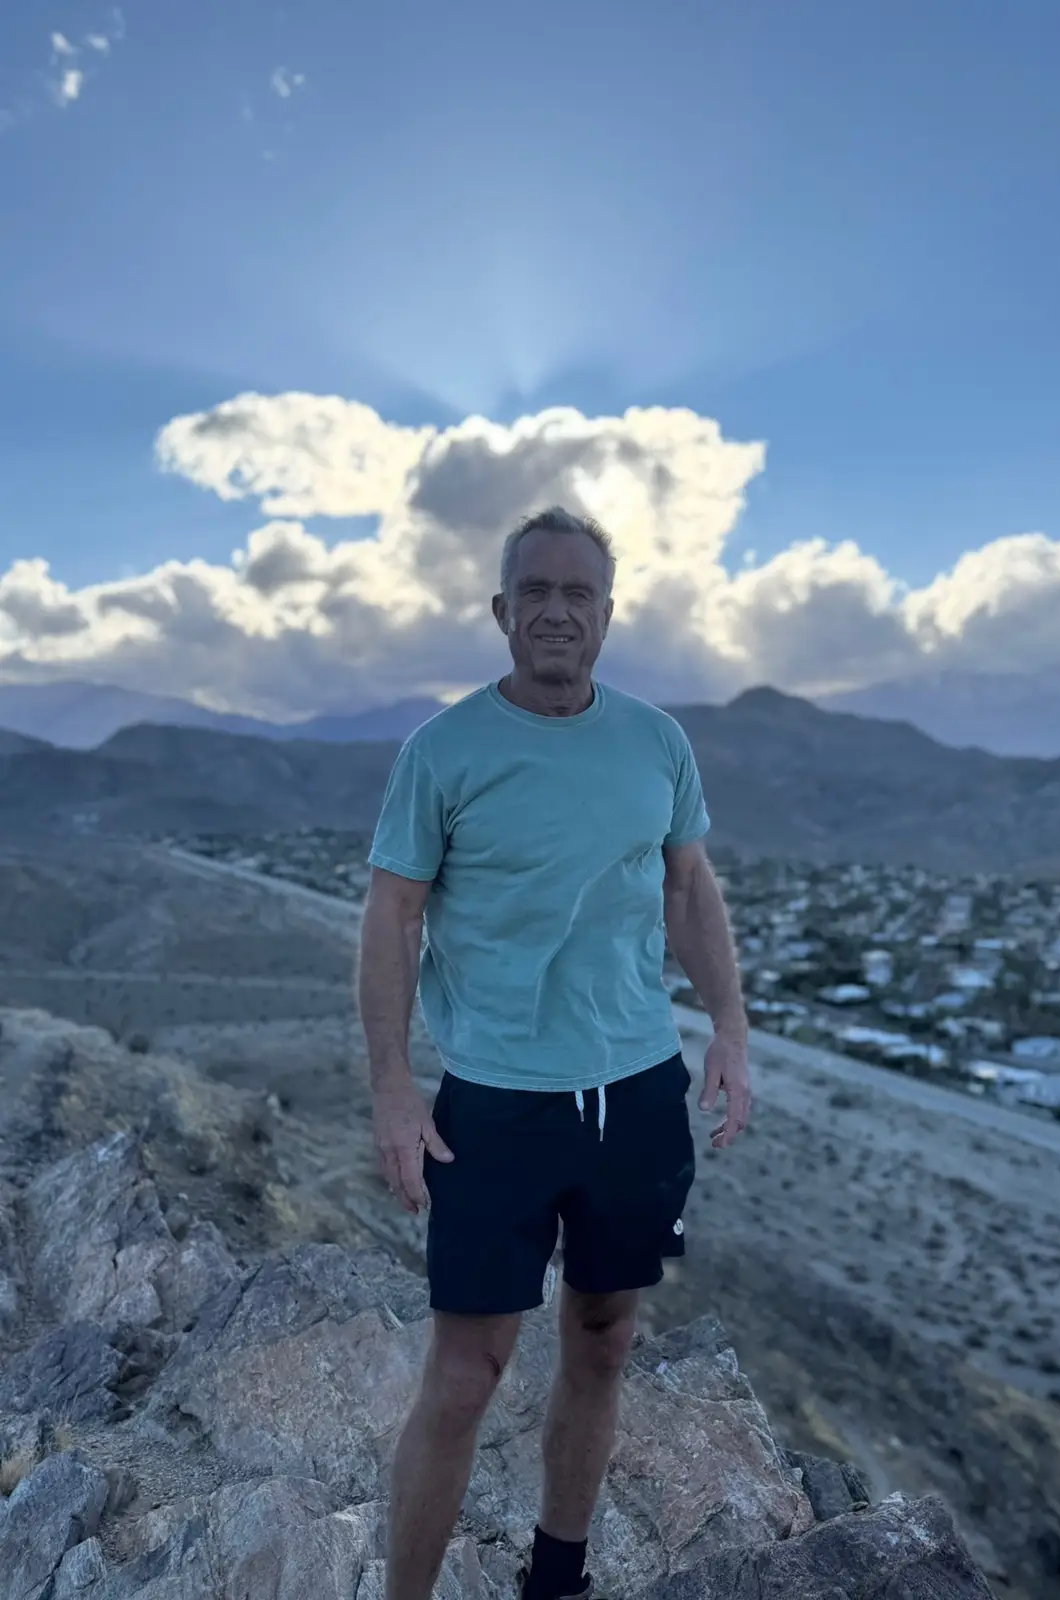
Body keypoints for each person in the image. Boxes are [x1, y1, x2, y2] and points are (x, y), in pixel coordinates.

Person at [357, 505, 751, 1600]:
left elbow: (687, 887)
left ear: (609, 615)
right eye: (536, 590)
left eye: (579, 593)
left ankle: (558, 1576)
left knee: (605, 1335)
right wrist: (394, 1087)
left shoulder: (656, 742)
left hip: (635, 1096)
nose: (557, 610)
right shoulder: (441, 753)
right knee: (467, 1371)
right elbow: (390, 919)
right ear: (501, 611)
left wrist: (730, 1025)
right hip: (494, 1103)